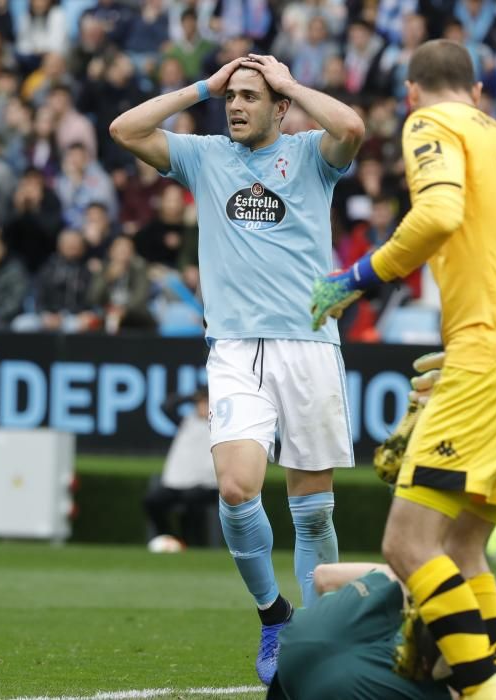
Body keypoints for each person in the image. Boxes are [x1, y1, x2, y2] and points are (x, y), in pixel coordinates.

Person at [310, 39, 496, 699]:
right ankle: (483, 684)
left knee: (407, 546)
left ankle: (486, 695)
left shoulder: (430, 123)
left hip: (489, 356)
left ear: (410, 93)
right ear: (481, 91)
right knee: (464, 549)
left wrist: (356, 277)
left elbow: (437, 213)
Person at [109, 52, 365, 684]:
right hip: (234, 348)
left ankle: (318, 637)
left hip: (309, 346)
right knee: (235, 487)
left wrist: (290, 83)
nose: (238, 106)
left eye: (252, 96)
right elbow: (124, 130)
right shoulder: (206, 156)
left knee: (313, 512)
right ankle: (274, 614)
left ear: (280, 106)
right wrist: (202, 86)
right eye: (233, 97)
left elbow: (354, 128)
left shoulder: (310, 153)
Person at [267, 562, 496, 700]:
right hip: (333, 679)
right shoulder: (471, 673)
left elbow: (324, 578)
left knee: (416, 578)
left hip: (296, 648)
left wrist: (443, 586)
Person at [143, 389, 218, 547]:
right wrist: (192, 396)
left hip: (206, 485)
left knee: (192, 501)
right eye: (201, 403)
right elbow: (166, 406)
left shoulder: (220, 425)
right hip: (177, 483)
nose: (203, 407)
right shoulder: (187, 422)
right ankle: (168, 538)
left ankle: (190, 542)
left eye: (207, 403)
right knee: (152, 501)